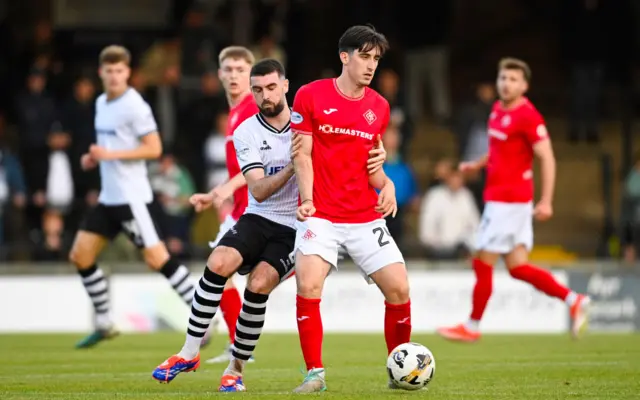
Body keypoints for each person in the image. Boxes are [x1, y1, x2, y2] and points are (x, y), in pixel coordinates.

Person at [289, 25, 410, 393]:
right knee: (308, 284)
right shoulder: (310, 95)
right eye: (364, 56)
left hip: (363, 216)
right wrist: (307, 199)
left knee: (400, 290)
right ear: (345, 56)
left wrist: (386, 185)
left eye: (376, 58)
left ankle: (400, 369)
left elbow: (374, 166)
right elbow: (302, 154)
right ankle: (315, 374)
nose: (371, 65)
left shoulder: (379, 107)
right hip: (321, 213)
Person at [436, 58, 591, 343]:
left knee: (482, 260)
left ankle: (472, 325)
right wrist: (477, 165)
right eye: (503, 78)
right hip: (501, 199)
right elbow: (499, 151)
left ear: (525, 86)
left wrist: (546, 201)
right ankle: (573, 299)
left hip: (508, 201)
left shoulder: (529, 117)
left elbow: (547, 157)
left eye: (513, 79)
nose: (506, 83)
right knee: (518, 267)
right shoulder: (497, 109)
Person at [69, 45, 196, 348]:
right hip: (108, 198)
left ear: (128, 72)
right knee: (80, 255)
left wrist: (110, 154)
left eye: (119, 71)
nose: (114, 76)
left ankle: (203, 315)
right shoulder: (101, 102)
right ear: (102, 73)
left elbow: (154, 148)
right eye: (109, 71)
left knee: (157, 259)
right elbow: (109, 146)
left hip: (132, 198)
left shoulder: (135, 105)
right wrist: (95, 158)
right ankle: (105, 321)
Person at [202, 46, 258, 363]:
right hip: (240, 207)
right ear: (220, 74)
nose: (234, 75)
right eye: (229, 69)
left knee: (224, 272)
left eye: (240, 69)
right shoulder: (234, 113)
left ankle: (237, 345)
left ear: (251, 73)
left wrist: (224, 189)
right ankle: (238, 345)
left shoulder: (251, 109)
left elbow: (257, 166)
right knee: (219, 272)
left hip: (258, 209)